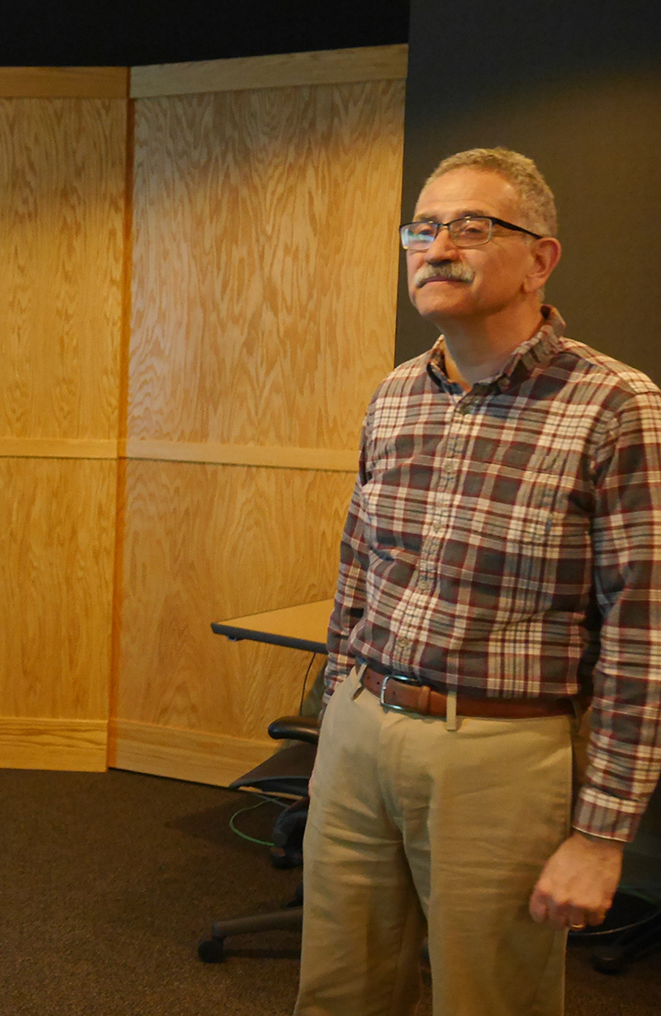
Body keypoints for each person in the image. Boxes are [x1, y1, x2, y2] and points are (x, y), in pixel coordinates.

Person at [295, 147, 661, 1016]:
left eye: (470, 227)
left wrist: (602, 835)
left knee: (489, 1001)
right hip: (360, 735)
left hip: (500, 757)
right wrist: (332, 724)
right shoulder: (396, 396)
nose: (436, 248)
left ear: (541, 258)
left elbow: (646, 635)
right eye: (421, 230)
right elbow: (359, 573)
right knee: (338, 995)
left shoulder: (615, 405)